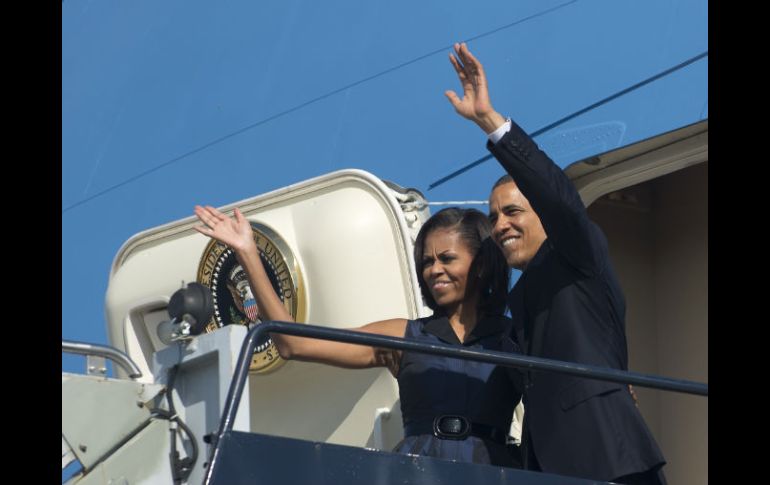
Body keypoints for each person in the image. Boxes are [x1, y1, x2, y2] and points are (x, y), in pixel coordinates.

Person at [445, 42, 667, 484]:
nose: (501, 225)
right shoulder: (521, 296)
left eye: (513, 212)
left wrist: (490, 122)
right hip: (550, 466)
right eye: (493, 218)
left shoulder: (577, 255)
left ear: (542, 216)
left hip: (609, 459)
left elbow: (559, 199)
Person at [194, 204, 523, 467]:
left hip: (493, 471)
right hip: (419, 473)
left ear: (480, 265)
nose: (433, 270)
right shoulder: (405, 334)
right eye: (426, 261)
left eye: (447, 258)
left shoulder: (513, 336)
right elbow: (293, 343)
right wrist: (248, 254)